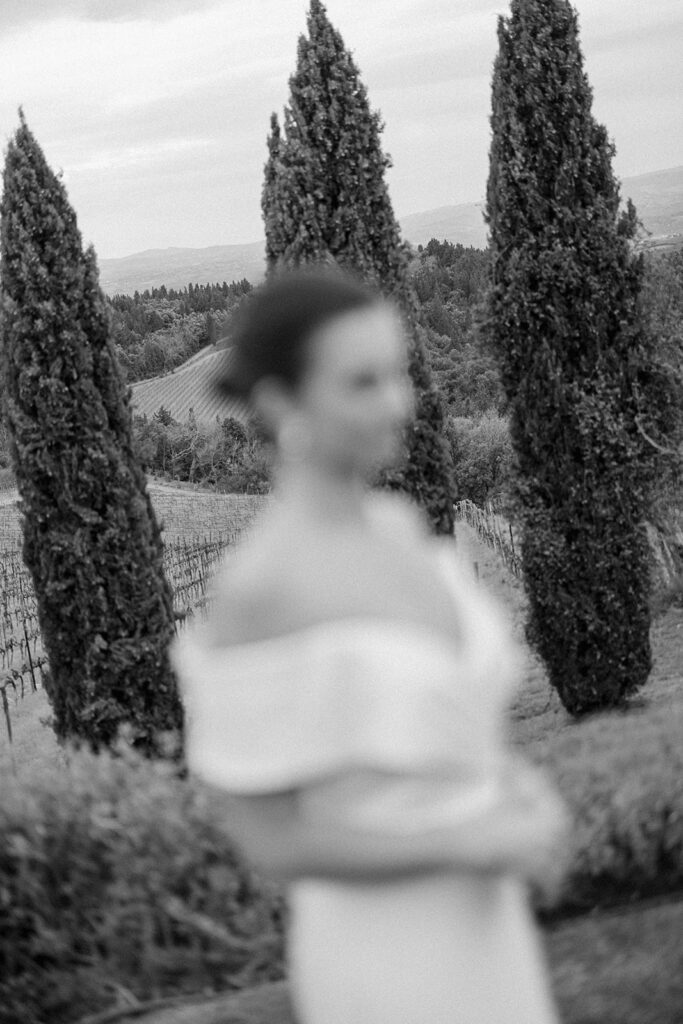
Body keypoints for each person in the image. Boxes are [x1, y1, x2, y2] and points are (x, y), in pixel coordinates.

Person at [171, 269, 569, 1024]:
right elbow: (268, 840)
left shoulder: (395, 525)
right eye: (361, 381)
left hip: (488, 924)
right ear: (280, 401)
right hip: (385, 953)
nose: (397, 402)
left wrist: (517, 800)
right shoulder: (261, 589)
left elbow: (451, 729)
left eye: (396, 373)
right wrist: (464, 842)